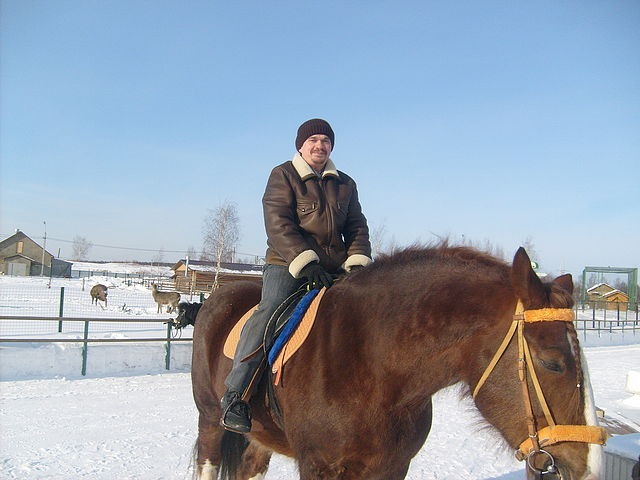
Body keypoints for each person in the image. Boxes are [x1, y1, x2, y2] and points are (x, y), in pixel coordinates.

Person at [221, 118, 373, 433]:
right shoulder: (284, 175)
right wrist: (306, 263)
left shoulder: (345, 183)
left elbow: (356, 226)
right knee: (270, 311)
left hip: (334, 269)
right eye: (313, 140)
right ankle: (237, 394)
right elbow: (278, 223)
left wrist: (357, 261)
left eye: (326, 141)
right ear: (301, 146)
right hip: (287, 263)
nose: (320, 146)